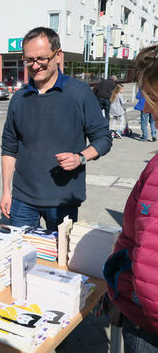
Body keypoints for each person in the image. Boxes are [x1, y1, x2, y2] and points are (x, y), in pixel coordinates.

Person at [0, 27, 112, 231]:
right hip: (22, 199)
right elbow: (9, 148)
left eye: (41, 58)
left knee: (60, 260)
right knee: (19, 257)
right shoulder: (18, 98)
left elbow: (103, 138)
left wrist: (81, 157)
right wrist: (6, 191)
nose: (35, 66)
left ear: (58, 55)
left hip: (63, 200)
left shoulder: (80, 93)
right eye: (29, 60)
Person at [104, 44, 158, 353]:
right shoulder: (153, 166)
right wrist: (120, 298)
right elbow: (132, 238)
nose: (146, 109)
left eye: (150, 99)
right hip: (140, 319)